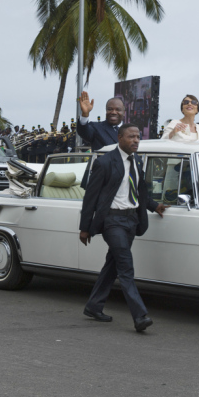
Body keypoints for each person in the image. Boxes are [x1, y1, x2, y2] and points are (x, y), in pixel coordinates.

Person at [79, 124, 167, 332]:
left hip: (131, 220)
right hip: (112, 221)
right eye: (131, 137)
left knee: (113, 264)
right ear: (119, 138)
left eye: (138, 137)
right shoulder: (105, 162)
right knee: (126, 267)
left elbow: (139, 191)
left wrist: (155, 206)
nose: (136, 140)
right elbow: (90, 197)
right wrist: (85, 228)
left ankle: (93, 306)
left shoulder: (137, 161)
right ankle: (140, 316)